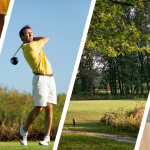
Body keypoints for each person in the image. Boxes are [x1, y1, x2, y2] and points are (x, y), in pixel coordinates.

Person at [19, 25, 57, 146]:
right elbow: (46, 38)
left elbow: (44, 39)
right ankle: (23, 130)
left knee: (49, 106)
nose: (31, 35)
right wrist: (34, 38)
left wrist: (32, 37)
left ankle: (47, 137)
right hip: (40, 79)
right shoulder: (30, 46)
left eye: (31, 33)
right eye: (27, 34)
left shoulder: (32, 44)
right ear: (22, 37)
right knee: (39, 108)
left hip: (50, 78)